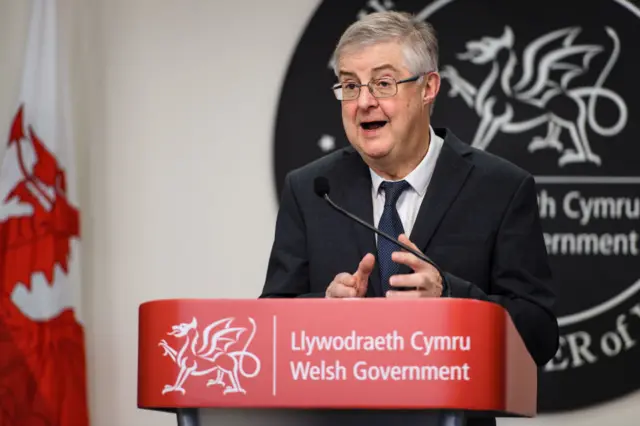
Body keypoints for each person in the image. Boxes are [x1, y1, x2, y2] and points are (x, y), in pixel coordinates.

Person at [260, 11, 559, 423]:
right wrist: (323, 311)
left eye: (383, 83)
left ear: (428, 88)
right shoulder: (311, 188)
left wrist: (450, 297)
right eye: (349, 85)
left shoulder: (500, 188)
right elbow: (271, 324)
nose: (364, 102)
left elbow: (540, 335)